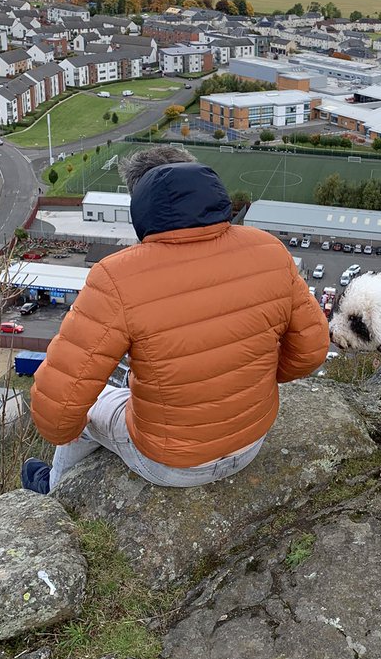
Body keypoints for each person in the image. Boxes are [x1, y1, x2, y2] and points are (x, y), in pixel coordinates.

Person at [22, 146, 330, 493]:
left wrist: (70, 428)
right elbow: (312, 351)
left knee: (87, 408)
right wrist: (249, 377)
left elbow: (57, 412)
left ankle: (54, 491)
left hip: (170, 464)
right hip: (250, 443)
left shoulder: (116, 276)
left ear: (140, 203)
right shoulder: (269, 249)